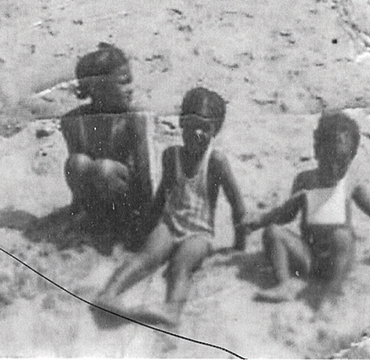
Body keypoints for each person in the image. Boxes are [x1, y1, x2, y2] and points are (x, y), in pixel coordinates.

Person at [96, 87, 246, 327]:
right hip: (170, 223)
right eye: (191, 125)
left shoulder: (216, 162)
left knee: (182, 265)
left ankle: (172, 310)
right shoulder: (171, 156)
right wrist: (145, 228)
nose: (196, 133)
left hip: (199, 233)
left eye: (205, 128)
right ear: (181, 123)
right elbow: (160, 198)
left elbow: (237, 204)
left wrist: (240, 245)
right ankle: (109, 293)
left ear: (215, 130)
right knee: (147, 256)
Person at [241, 111, 370, 307]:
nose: (334, 169)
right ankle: (284, 283)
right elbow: (286, 216)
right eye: (328, 161)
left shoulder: (350, 183)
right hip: (308, 256)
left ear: (351, 158)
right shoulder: (305, 181)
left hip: (337, 260)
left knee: (342, 236)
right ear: (317, 151)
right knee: (273, 233)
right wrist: (260, 221)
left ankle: (333, 290)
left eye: (342, 162)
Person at [61, 43, 153, 248]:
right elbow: (78, 179)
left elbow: (144, 174)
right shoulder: (73, 121)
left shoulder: (132, 118)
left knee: (104, 168)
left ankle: (121, 225)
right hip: (97, 198)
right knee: (76, 163)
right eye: (123, 83)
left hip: (128, 198)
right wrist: (76, 210)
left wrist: (146, 220)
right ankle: (95, 220)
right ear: (97, 87)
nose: (130, 89)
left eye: (130, 82)